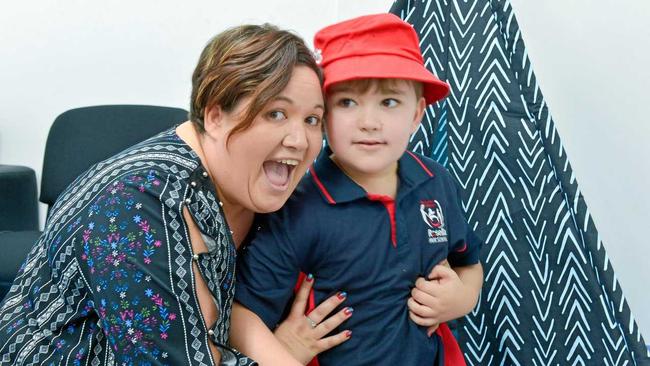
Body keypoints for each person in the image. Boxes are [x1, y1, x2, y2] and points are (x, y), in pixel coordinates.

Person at [0, 24, 348, 365]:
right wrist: (279, 354)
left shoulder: (257, 188)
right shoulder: (137, 203)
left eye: (313, 120)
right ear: (214, 116)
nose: (300, 141)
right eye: (276, 113)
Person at [232, 13, 484, 365]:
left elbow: (468, 259)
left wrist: (464, 298)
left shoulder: (436, 181)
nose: (369, 122)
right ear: (323, 115)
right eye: (347, 102)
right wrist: (283, 352)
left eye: (389, 102)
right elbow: (243, 313)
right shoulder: (297, 206)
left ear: (416, 114)